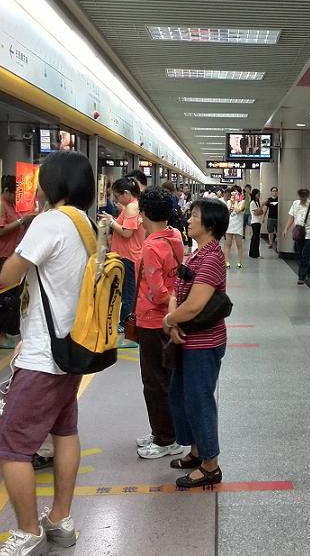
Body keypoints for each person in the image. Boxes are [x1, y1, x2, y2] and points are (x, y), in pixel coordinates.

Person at [0, 150, 95, 555]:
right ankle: (60, 520)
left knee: (9, 445)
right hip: (72, 349)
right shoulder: (84, 223)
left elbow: (8, 276)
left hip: (44, 356)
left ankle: (28, 531)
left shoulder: (50, 221)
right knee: (64, 431)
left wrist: (26, 231)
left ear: (53, 184)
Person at [162, 198, 229, 489]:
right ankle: (197, 451)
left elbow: (195, 305)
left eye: (195, 216)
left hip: (204, 343)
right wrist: (174, 320)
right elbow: (176, 292)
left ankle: (211, 465)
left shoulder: (212, 258)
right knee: (182, 397)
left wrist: (169, 321)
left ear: (210, 224)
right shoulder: (196, 253)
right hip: (187, 338)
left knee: (200, 401)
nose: (188, 220)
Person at [135, 187, 186, 460]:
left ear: (144, 213)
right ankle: (164, 431)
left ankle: (166, 439)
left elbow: (156, 292)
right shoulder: (174, 235)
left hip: (153, 320)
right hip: (170, 317)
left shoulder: (151, 246)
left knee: (154, 381)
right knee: (167, 378)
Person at [0, 174, 31, 349]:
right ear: (6, 191)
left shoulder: (11, 205)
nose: (17, 198)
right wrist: (21, 221)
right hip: (2, 256)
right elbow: (0, 231)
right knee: (5, 297)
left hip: (13, 255)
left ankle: (6, 332)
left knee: (13, 297)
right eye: (15, 194)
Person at [102, 177, 144, 349]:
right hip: (128, 256)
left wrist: (111, 222)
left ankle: (129, 331)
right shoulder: (132, 206)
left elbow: (127, 233)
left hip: (128, 257)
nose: (116, 200)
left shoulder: (132, 207)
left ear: (126, 193)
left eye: (117, 196)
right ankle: (124, 324)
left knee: (128, 295)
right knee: (127, 293)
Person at [284, 188, 310, 285]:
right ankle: (309, 271)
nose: (303, 199)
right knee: (298, 254)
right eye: (301, 197)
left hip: (309, 235)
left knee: (305, 255)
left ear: (307, 196)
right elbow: (291, 217)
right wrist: (286, 229)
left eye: (304, 198)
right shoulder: (295, 204)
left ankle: (301, 277)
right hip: (298, 234)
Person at [223, 186, 245, 269]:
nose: (235, 193)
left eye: (236, 192)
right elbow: (227, 211)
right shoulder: (229, 201)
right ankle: (227, 262)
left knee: (239, 244)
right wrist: (231, 202)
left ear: (239, 193)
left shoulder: (242, 201)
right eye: (233, 192)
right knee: (228, 244)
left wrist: (236, 201)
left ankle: (239, 262)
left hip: (238, 225)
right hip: (230, 224)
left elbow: (238, 210)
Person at [248, 188, 263, 259]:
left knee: (256, 238)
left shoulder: (257, 202)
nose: (259, 195)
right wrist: (262, 206)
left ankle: (253, 253)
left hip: (258, 221)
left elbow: (261, 212)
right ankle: (255, 254)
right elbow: (256, 213)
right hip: (255, 222)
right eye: (258, 194)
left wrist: (259, 211)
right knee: (255, 238)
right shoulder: (253, 203)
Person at [264, 187, 279, 251]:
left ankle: (277, 242)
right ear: (271, 192)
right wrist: (263, 217)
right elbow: (266, 209)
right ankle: (270, 243)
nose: (274, 192)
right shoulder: (269, 200)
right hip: (270, 218)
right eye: (273, 191)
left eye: (276, 191)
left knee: (278, 231)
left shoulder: (279, 199)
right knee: (270, 231)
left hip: (278, 218)